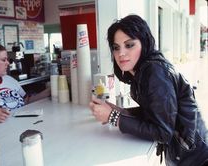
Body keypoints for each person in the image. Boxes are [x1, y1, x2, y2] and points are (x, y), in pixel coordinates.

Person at [89, 15, 208, 166]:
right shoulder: (143, 72)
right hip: (186, 155)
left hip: (198, 159)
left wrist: (114, 117)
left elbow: (163, 133)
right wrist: (120, 111)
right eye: (116, 47)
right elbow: (155, 113)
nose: (121, 53)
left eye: (129, 45)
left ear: (144, 43)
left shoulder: (155, 72)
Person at [0, 40, 51, 123]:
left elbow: (26, 101)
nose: (8, 63)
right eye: (3, 60)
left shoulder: (9, 80)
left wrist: (48, 92)